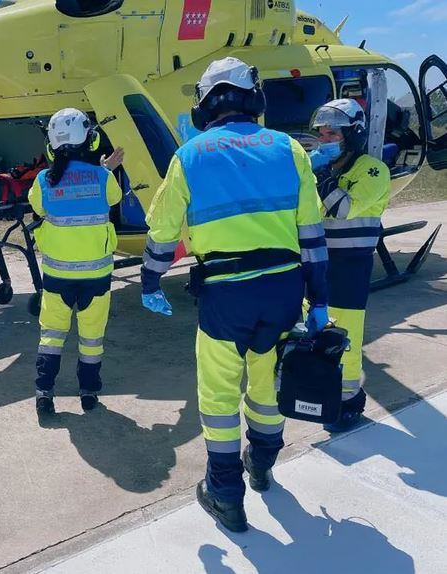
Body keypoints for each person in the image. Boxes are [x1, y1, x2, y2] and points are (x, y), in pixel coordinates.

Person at [140, 57, 329, 532]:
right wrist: (320, 299)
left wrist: (148, 281)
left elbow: (163, 235)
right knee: (267, 384)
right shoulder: (290, 150)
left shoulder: (190, 155)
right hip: (286, 289)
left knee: (219, 394)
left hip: (225, 295)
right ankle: (262, 464)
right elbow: (312, 236)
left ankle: (225, 493)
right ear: (255, 99)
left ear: (205, 106)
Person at [28, 108, 124, 415]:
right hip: (97, 276)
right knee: (92, 338)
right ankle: (88, 392)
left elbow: (38, 206)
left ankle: (44, 392)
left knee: (51, 336)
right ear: (91, 141)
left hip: (57, 276)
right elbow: (114, 198)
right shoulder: (104, 177)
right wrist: (104, 168)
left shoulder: (43, 181)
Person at [308, 98, 391, 433]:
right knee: (315, 334)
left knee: (347, 340)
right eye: (322, 134)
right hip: (318, 264)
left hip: (349, 266)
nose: (326, 140)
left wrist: (318, 173)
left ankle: (349, 401)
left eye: (333, 133)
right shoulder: (327, 171)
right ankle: (322, 393)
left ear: (352, 133)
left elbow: (342, 210)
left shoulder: (371, 170)